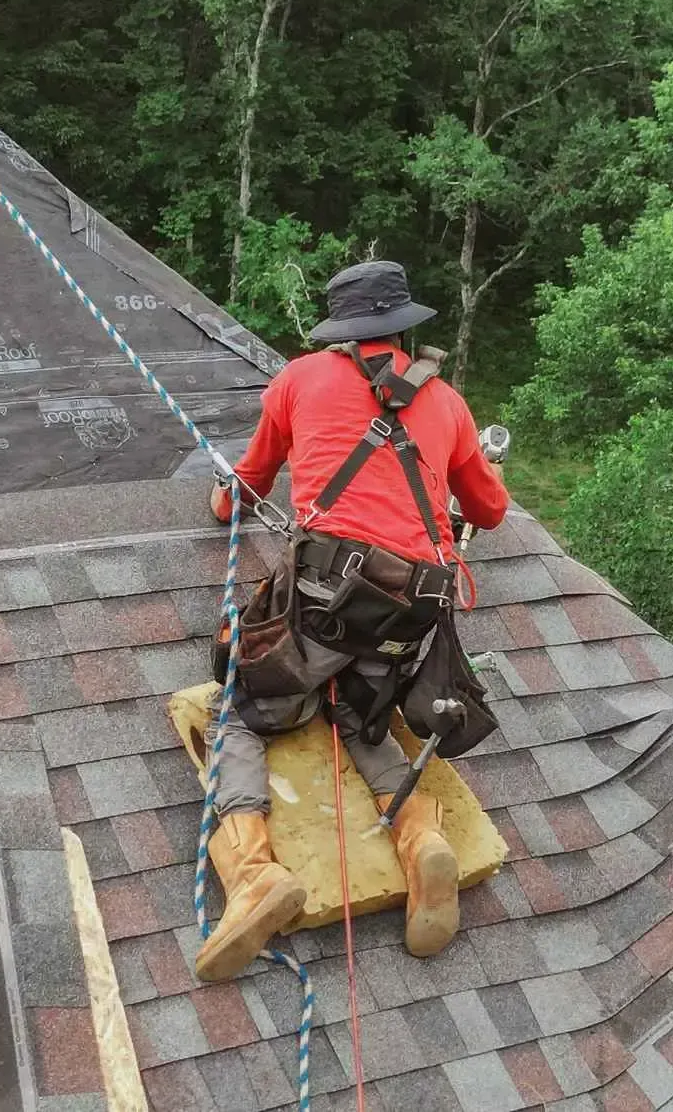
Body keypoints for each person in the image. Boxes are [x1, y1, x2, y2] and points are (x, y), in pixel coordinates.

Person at [196, 260, 509, 981]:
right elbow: (489, 511)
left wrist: (222, 504)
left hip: (324, 606)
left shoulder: (299, 380)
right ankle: (420, 838)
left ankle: (252, 874)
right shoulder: (450, 404)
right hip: (409, 613)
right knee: (361, 716)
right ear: (403, 329)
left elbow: (247, 483)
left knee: (242, 710)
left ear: (341, 334)